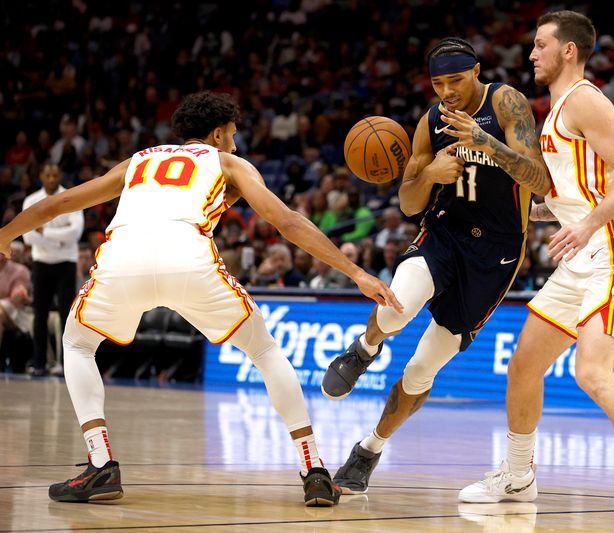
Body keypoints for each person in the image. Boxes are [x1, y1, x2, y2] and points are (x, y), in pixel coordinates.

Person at [0, 91, 402, 507]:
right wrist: (355, 271)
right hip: (189, 258)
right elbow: (286, 220)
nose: (235, 143)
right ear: (215, 134)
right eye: (231, 135)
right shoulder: (228, 163)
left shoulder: (139, 160)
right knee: (263, 348)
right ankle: (314, 469)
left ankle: (100, 464)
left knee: (78, 343)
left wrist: (5, 234)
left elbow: (61, 203)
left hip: (123, 258)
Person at [457, 12, 614, 529]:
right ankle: (519, 474)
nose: (531, 54)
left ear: (568, 50)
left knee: (591, 371)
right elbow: (561, 193)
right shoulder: (555, 113)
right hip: (582, 255)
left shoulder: (587, 100)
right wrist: (499, 166)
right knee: (525, 365)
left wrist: (588, 223)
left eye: (540, 45)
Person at [320, 37, 551, 495]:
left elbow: (540, 179)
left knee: (424, 367)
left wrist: (485, 142)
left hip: (496, 255)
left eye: (456, 80)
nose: (446, 91)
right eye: (437, 82)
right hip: (445, 233)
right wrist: (427, 175)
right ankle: (363, 350)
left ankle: (370, 448)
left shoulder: (505, 102)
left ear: (477, 71)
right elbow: (408, 203)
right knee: (398, 306)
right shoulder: (431, 121)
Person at [22, 163, 83, 376]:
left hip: (66, 263)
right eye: (47, 175)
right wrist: (59, 239)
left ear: (61, 175)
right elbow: (28, 236)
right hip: (41, 263)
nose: (50, 179)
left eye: (54, 175)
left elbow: (75, 232)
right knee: (40, 314)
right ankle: (39, 363)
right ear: (40, 175)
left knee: (68, 315)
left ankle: (66, 365)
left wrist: (45, 232)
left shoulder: (72, 197)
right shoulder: (31, 201)